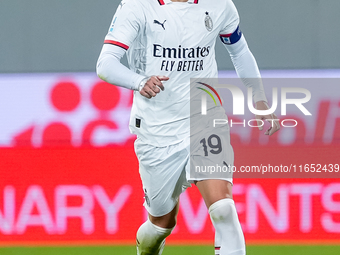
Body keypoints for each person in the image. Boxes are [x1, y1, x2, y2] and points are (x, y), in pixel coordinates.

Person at [96, 0, 280, 254]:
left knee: (224, 208)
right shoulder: (137, 6)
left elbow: (240, 51)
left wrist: (259, 96)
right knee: (161, 224)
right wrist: (139, 81)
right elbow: (105, 64)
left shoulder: (219, 5)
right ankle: (146, 246)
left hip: (205, 119)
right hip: (157, 131)